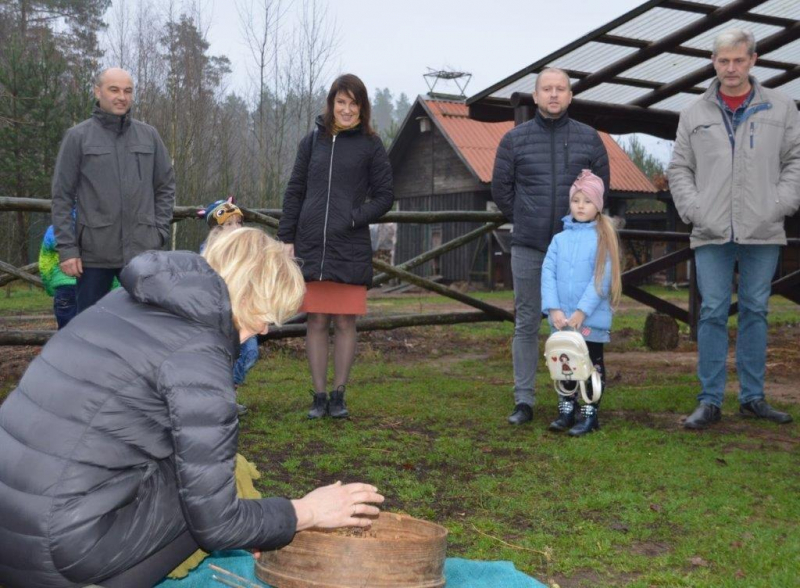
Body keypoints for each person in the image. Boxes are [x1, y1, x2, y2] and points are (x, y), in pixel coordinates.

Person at [0, 228, 384, 588]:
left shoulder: (124, 301)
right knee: (223, 483)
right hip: (54, 558)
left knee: (204, 472)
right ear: (248, 298)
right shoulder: (200, 358)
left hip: (9, 534)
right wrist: (307, 511)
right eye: (265, 317)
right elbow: (217, 523)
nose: (265, 331)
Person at [667, 29, 800, 429]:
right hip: (710, 231)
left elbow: (795, 160)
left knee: (757, 311)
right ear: (713, 62)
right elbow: (678, 169)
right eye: (723, 61)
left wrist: (781, 204)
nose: (731, 68)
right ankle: (709, 401)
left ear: (753, 60)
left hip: (763, 229)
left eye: (738, 60)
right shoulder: (693, 113)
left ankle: (753, 397)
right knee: (712, 312)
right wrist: (694, 209)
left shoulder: (781, 107)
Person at [492, 67, 610, 426]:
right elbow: (501, 190)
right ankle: (524, 400)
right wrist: (526, 216)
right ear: (536, 95)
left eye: (561, 89)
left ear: (570, 96)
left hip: (578, 251)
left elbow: (603, 190)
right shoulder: (515, 140)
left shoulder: (590, 140)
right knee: (527, 322)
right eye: (547, 89)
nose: (554, 94)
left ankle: (580, 400)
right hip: (530, 246)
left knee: (579, 324)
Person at [278, 74, 394, 420]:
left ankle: (339, 396)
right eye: (340, 102)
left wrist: (355, 217)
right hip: (311, 244)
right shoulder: (312, 143)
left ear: (362, 107)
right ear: (331, 104)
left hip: (350, 244)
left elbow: (386, 195)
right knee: (315, 320)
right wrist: (287, 237)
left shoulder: (371, 146)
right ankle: (318, 396)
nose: (346, 109)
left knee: (345, 321)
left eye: (353, 103)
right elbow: (295, 191)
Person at [51, 67, 175, 314]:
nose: (122, 96)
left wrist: (158, 232)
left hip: (142, 251)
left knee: (145, 324)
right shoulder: (78, 137)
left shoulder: (149, 136)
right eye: (114, 90)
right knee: (90, 325)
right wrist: (67, 250)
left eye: (128, 91)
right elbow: (62, 196)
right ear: (98, 92)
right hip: (94, 254)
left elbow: (165, 186)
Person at [541, 170, 622, 436]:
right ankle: (566, 409)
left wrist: (581, 312)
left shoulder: (602, 239)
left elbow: (602, 279)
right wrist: (553, 308)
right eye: (576, 200)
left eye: (587, 201)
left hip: (589, 320)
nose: (580, 206)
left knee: (589, 366)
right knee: (564, 364)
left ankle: (589, 412)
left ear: (597, 205)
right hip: (562, 320)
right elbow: (548, 274)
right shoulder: (558, 240)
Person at [199, 198, 258, 413]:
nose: (235, 228)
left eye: (238, 223)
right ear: (216, 230)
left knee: (250, 353)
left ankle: (228, 391)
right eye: (228, 224)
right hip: (219, 317)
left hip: (244, 316)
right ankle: (221, 398)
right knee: (222, 357)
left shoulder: (249, 252)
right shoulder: (208, 254)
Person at [39, 224, 78, 329]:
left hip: (63, 287)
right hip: (92, 285)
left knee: (65, 330)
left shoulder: (54, 229)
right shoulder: (94, 228)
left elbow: (45, 265)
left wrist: (50, 288)